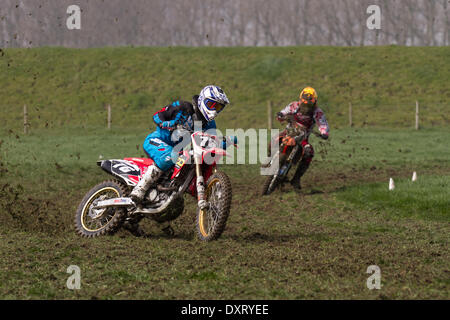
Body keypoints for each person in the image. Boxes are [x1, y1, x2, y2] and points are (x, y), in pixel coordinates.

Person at [129, 85, 230, 203]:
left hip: (177, 150)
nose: (214, 110)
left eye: (218, 107)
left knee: (190, 161)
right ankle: (140, 189)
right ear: (202, 100)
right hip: (157, 141)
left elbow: (208, 143)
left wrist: (224, 143)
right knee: (170, 156)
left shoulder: (209, 125)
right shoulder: (183, 108)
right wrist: (165, 124)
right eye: (212, 105)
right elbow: (158, 115)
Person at [274, 87, 329, 190]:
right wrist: (281, 115)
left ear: (314, 102)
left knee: (309, 153)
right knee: (274, 140)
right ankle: (269, 160)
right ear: (300, 99)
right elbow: (283, 112)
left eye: (309, 103)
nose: (306, 105)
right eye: (304, 102)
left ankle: (296, 179)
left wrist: (324, 133)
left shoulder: (317, 112)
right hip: (289, 131)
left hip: (303, 137)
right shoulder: (294, 105)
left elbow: (322, 123)